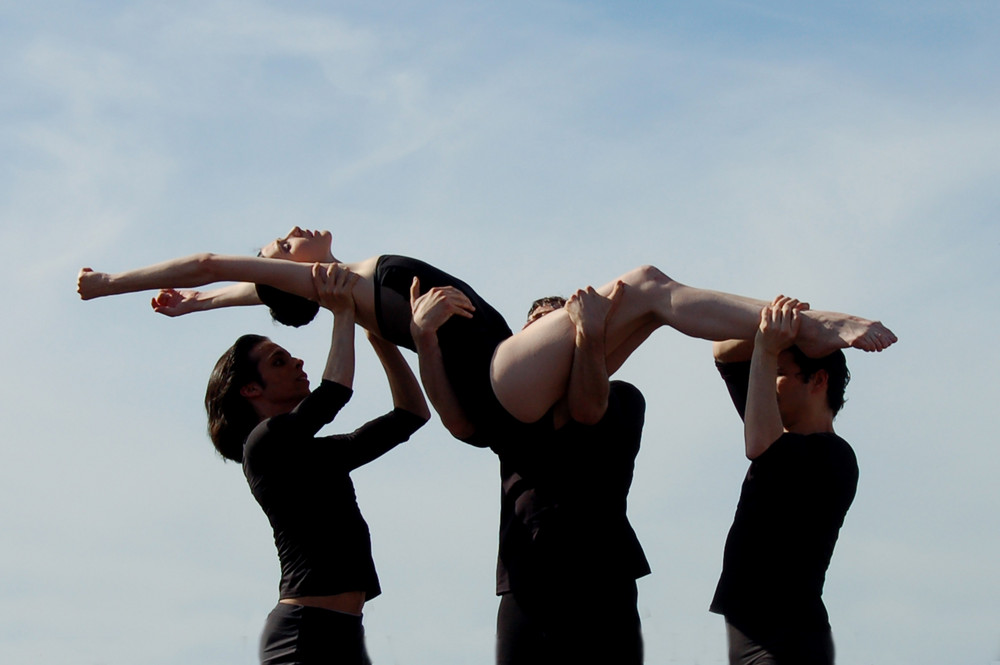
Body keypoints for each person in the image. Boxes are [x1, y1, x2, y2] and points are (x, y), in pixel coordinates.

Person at [77, 226, 897, 438]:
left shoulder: (349, 285)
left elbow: (249, 291)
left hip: (510, 378)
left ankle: (791, 323)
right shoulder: (338, 283)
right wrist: (118, 283)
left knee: (649, 295)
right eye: (279, 247)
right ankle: (808, 322)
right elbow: (213, 260)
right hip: (498, 376)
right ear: (281, 271)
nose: (292, 232)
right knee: (643, 284)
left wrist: (197, 309)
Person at [409, 286, 649, 664]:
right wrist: (424, 338)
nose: (542, 334)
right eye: (533, 327)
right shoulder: (510, 413)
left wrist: (589, 336)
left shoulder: (624, 397)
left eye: (554, 324)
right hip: (526, 579)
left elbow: (587, 408)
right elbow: (456, 419)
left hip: (602, 578)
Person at [207, 263, 430, 664]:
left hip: (342, 633)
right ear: (251, 389)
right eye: (279, 361)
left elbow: (411, 415)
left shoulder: (314, 456)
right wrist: (343, 311)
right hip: (303, 635)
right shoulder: (262, 445)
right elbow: (334, 393)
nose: (297, 364)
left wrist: (379, 338)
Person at [710, 296, 859, 665]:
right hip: (753, 635)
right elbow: (723, 351)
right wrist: (787, 324)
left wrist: (765, 346)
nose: (766, 379)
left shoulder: (834, 457)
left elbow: (759, 445)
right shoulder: (778, 432)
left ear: (818, 380)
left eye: (778, 371)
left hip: (789, 640)